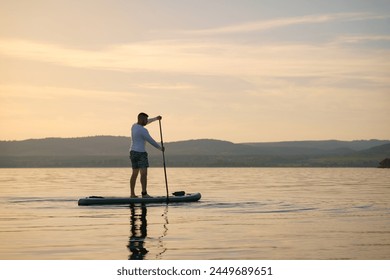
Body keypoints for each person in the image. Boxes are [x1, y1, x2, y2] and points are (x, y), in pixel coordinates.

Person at [129, 112, 164, 198]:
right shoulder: (143, 130)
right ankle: (144, 194)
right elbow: (150, 140)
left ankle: (132, 194)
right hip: (141, 153)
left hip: (132, 152)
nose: (146, 121)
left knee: (134, 173)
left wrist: (156, 118)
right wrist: (160, 148)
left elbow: (147, 122)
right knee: (143, 174)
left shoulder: (134, 126)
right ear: (141, 119)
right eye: (145, 120)